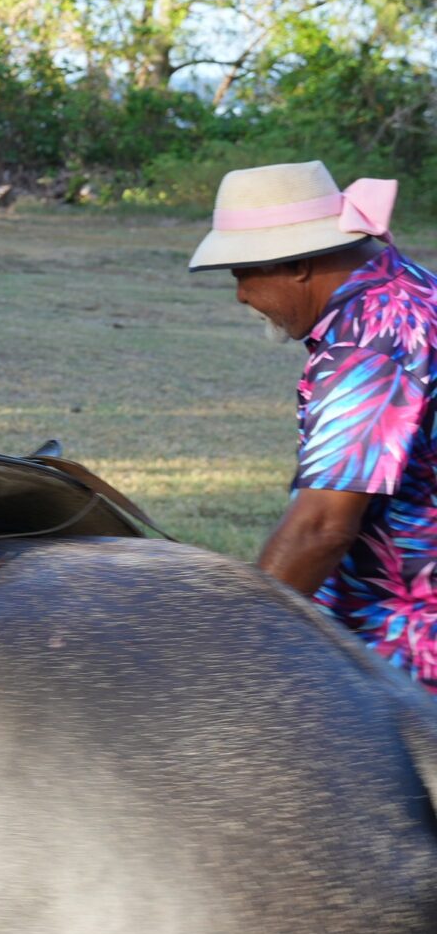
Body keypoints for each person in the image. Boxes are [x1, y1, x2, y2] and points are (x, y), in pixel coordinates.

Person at [190, 160, 436, 688]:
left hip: (405, 645)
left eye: (243, 273)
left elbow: (322, 526)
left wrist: (235, 654)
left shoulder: (369, 343)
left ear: (298, 263)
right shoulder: (411, 289)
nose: (241, 296)